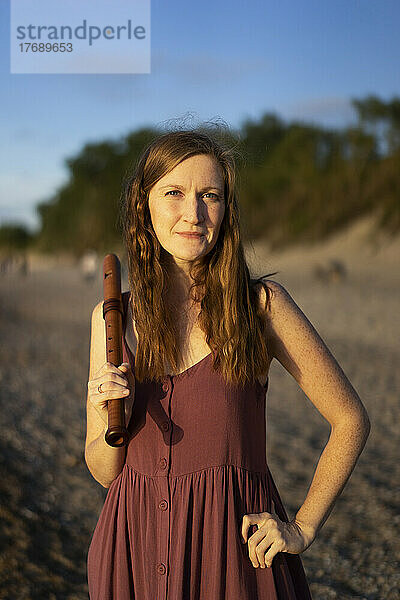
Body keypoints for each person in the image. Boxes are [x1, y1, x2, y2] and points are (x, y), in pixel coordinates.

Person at [85, 128, 370, 599]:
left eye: (209, 195)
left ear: (226, 209)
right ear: (145, 205)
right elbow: (103, 470)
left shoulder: (261, 306)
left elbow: (350, 419)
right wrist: (106, 410)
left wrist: (301, 527)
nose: (193, 213)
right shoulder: (114, 319)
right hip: (131, 552)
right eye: (174, 193)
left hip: (236, 564)